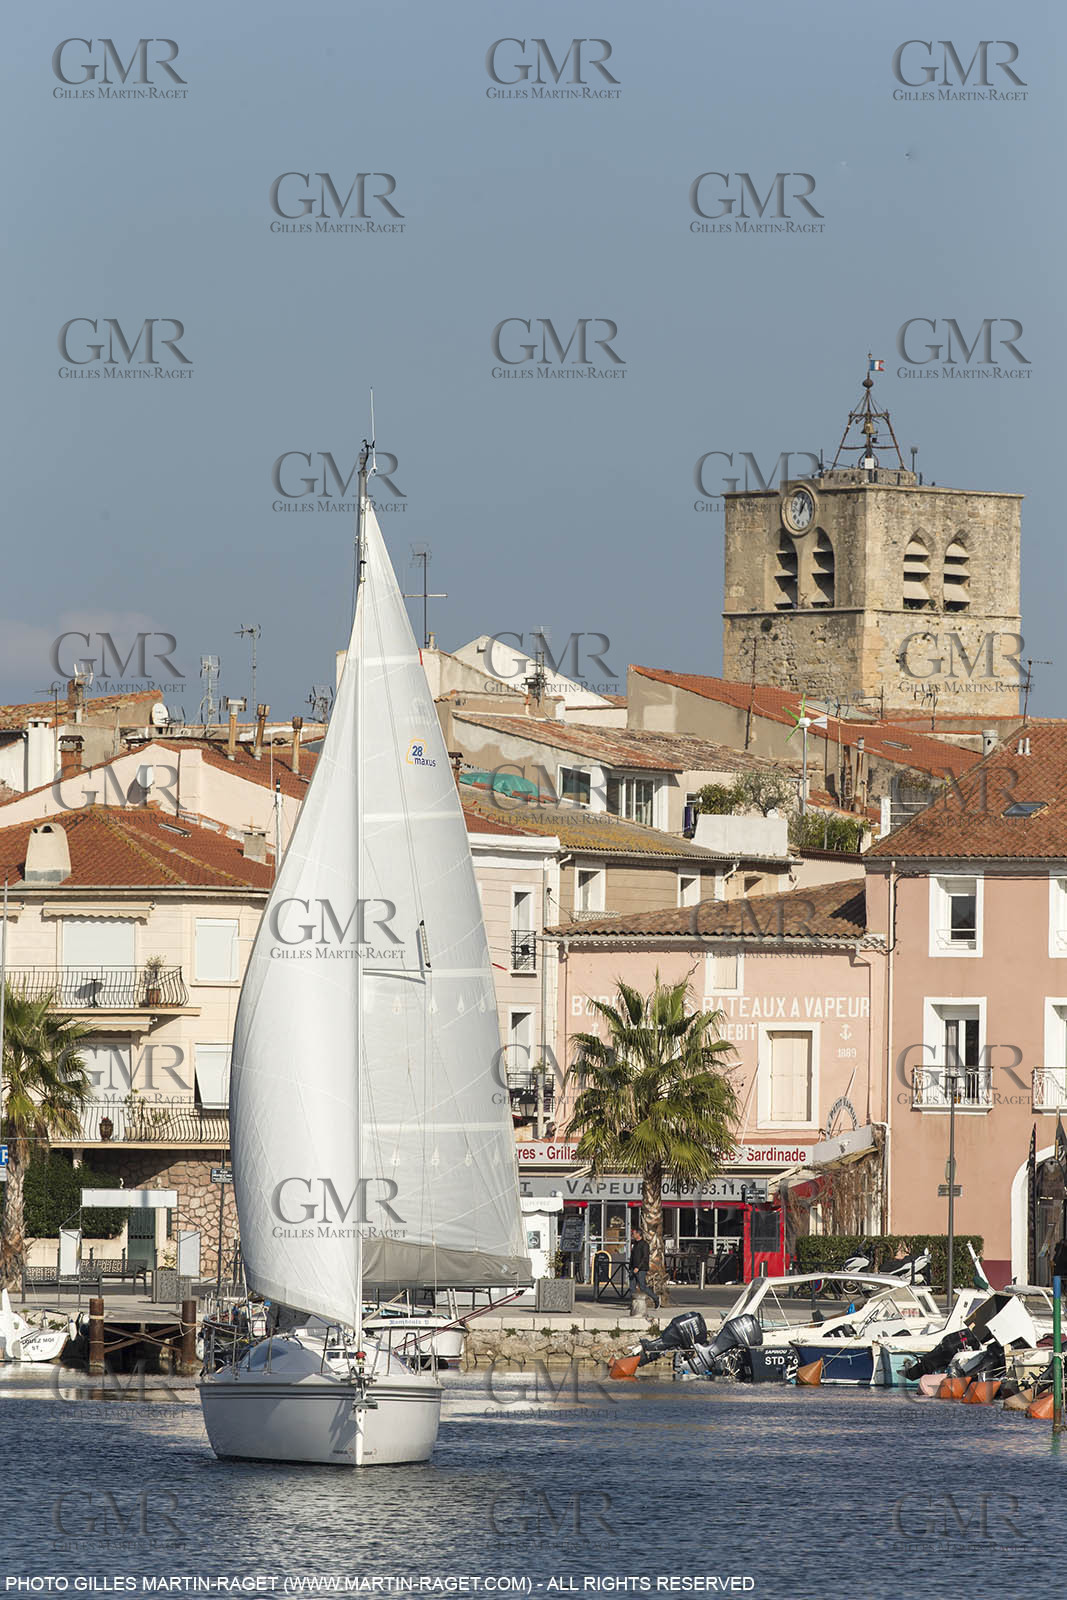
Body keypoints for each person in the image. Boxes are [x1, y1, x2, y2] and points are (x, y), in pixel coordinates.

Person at [628, 1225, 661, 1308]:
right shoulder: (635, 1244)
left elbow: (645, 1257)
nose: (632, 1235)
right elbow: (633, 1256)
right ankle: (633, 1304)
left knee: (642, 1286)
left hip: (641, 1269)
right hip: (633, 1268)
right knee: (632, 1287)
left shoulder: (644, 1244)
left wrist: (638, 1267)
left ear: (638, 1234)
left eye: (634, 1233)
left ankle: (656, 1298)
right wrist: (631, 1267)